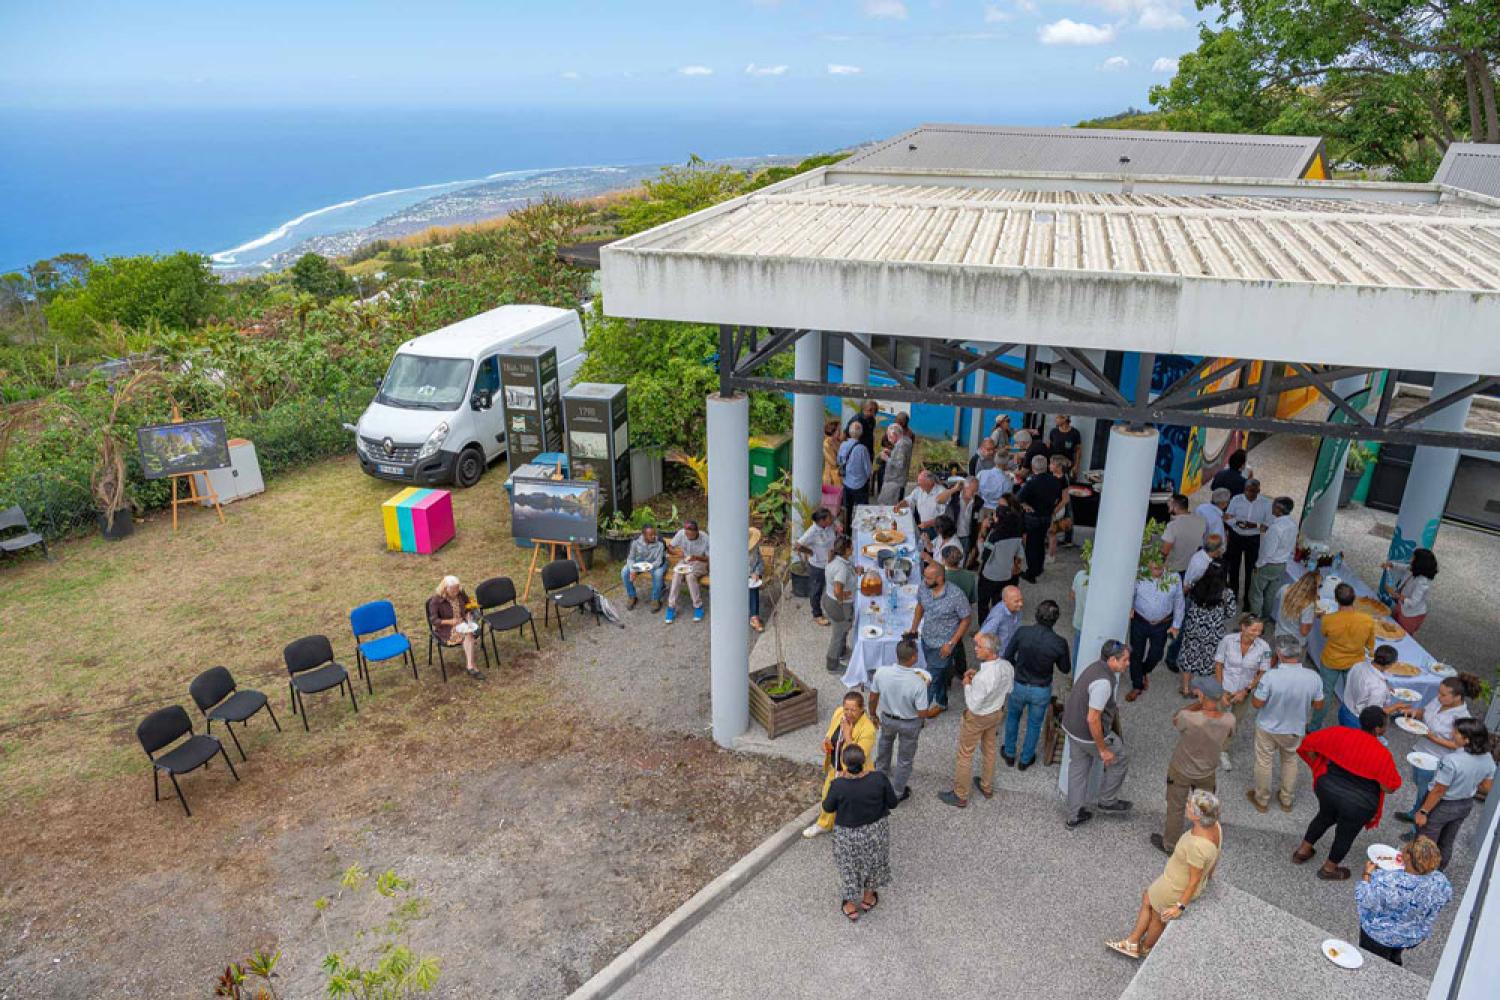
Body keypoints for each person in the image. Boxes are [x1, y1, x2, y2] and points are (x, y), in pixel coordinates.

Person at [1106, 790, 1222, 960]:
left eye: (1190, 805)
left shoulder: (1197, 846)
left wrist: (1179, 906)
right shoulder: (1216, 827)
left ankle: (1143, 947)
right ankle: (1134, 942)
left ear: (1198, 816)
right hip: (1174, 881)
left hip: (1174, 887)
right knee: (1148, 898)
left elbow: (1194, 880)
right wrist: (1209, 874)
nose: (1187, 805)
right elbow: (1215, 855)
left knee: (1157, 917)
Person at [1293, 706, 1402, 880]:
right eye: (1385, 726)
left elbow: (1308, 744)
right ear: (1377, 729)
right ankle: (1329, 870)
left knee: (1324, 816)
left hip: (1327, 789)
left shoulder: (1339, 732)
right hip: (1358, 803)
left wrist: (1318, 766)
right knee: (1346, 834)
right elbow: (1390, 787)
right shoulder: (1383, 754)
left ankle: (1302, 852)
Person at [1247, 636, 1325, 814]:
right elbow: (1319, 705)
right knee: (1290, 761)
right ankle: (1286, 800)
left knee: (1264, 762)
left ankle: (1262, 800)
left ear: (1279, 654)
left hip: (1268, 726)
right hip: (1295, 728)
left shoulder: (1271, 676)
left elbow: (1257, 704)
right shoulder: (1313, 677)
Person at [822, 744, 898, 922]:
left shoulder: (839, 785)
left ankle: (849, 905)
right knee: (875, 862)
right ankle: (868, 898)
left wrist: (837, 782)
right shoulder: (879, 778)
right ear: (864, 761)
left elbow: (827, 807)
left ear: (844, 763)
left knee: (849, 867)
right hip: (875, 830)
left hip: (848, 834)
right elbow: (893, 803)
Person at [1062, 639, 1134, 829]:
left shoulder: (1095, 667)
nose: (1128, 664)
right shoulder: (1103, 683)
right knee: (1120, 758)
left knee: (1078, 769)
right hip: (1087, 734)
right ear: (1112, 660)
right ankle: (1107, 801)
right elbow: (1093, 719)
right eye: (1125, 660)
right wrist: (1102, 749)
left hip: (1071, 727)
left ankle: (1073, 815)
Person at [1155, 682, 1233, 854]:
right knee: (1206, 808)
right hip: (1207, 772)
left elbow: (1176, 719)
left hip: (1181, 769)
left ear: (1202, 696)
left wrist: (1199, 703)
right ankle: (1204, 840)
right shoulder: (1229, 720)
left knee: (1176, 807)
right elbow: (1229, 733)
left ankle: (1170, 844)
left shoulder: (1189, 718)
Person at [1393, 672, 1481, 823]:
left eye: (1444, 695)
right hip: (1421, 751)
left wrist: (1432, 737)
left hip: (1436, 760)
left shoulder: (1463, 718)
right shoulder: (1440, 701)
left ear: (1457, 697)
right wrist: (1414, 713)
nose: (1439, 697)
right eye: (1439, 692)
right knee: (1420, 787)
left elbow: (1457, 745)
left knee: (1427, 793)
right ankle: (1414, 812)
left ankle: (1418, 825)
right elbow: (1425, 713)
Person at [939, 632, 1014, 808]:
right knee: (989, 749)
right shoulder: (1006, 666)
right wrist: (978, 678)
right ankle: (986, 786)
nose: (975, 649)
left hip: (978, 716)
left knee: (965, 754)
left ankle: (960, 794)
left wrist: (967, 684)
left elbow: (973, 703)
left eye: (979, 646)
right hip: (996, 712)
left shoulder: (983, 678)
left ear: (989, 650)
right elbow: (1008, 689)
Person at [1355, 836, 1453, 966]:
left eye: (1405, 850)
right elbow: (1445, 900)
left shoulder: (1386, 880)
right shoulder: (1441, 881)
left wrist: (1367, 874)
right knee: (1396, 951)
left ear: (1408, 857)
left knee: (1371, 962)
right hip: (1411, 934)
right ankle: (1394, 959)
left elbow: (1365, 899)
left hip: (1378, 935)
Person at [1414, 719, 1496, 868]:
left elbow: (1439, 790)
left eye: (1456, 732)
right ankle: (1439, 871)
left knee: (1427, 841)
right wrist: (1468, 781)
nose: (1452, 734)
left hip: (1442, 804)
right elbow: (1486, 787)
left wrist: (1423, 811)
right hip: (1465, 804)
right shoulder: (1488, 758)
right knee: (1447, 841)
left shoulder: (1452, 760)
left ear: (1466, 740)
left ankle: (1421, 871)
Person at [1002, 599, 1071, 770]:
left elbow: (1007, 655)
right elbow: (1065, 668)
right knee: (1034, 724)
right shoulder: (1059, 642)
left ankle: (1009, 753)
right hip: (1041, 688)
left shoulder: (1022, 632)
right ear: (1055, 620)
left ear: (1036, 615)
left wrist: (1018, 665)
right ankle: (1025, 759)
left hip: (1019, 683)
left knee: (1012, 717)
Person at [870, 639, 943, 801]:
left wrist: (873, 714)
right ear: (914, 657)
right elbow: (922, 713)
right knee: (905, 759)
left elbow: (873, 697)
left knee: (883, 750)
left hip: (887, 718)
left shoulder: (881, 672)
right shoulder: (919, 682)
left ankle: (879, 783)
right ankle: (897, 793)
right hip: (910, 723)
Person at [804, 691, 879, 839]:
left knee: (853, 802)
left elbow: (858, 756)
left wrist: (848, 736)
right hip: (836, 767)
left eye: (853, 710)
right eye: (846, 709)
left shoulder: (868, 729)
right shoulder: (839, 713)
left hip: (855, 773)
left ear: (862, 709)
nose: (848, 713)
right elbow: (830, 733)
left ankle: (856, 829)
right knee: (827, 795)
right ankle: (824, 824)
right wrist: (826, 742)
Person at [908, 563, 972, 711]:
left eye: (929, 578)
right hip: (926, 639)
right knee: (938, 674)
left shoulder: (956, 595)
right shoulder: (924, 587)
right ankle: (942, 703)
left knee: (931, 678)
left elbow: (966, 619)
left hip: (943, 645)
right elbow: (920, 606)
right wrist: (913, 629)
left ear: (940, 578)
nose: (925, 580)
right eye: (924, 577)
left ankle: (920, 712)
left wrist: (951, 643)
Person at [1212, 613, 1272, 770]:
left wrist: (1246, 691)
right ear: (1243, 627)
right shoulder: (1227, 641)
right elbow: (1218, 664)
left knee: (1234, 722)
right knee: (1215, 718)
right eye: (1253, 630)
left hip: (1244, 690)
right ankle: (1209, 746)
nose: (1256, 634)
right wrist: (1222, 690)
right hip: (1225, 686)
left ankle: (1223, 750)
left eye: (1259, 631)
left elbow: (1263, 671)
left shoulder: (1264, 647)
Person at [1312, 583, 1375, 730]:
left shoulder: (1328, 619)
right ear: (1354, 599)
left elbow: (1324, 634)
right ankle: (1348, 728)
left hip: (1331, 660)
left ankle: (1314, 726)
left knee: (1325, 694)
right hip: (1354, 662)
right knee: (1352, 697)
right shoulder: (1367, 620)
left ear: (1336, 599)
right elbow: (1370, 645)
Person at [1125, 560, 1184, 703]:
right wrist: (1130, 607)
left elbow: (1179, 601)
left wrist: (1176, 625)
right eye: (1152, 568)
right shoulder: (1140, 575)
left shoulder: (1174, 578)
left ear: (1165, 565)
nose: (1155, 572)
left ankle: (1143, 671)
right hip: (1139, 621)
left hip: (1162, 624)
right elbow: (1130, 594)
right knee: (1136, 654)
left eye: (1158, 569)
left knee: (1156, 655)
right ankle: (1137, 685)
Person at [1176, 565, 1237, 697]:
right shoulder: (1227, 593)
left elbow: (1188, 602)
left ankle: (1185, 688)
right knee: (1212, 657)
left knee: (1189, 656)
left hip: (1194, 627)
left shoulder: (1196, 585)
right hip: (1213, 631)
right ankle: (1208, 689)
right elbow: (1231, 613)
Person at [1016, 453, 1064, 581]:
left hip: (1033, 517)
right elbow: (1059, 497)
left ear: (1033, 467)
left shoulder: (1032, 482)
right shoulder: (1055, 480)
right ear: (1046, 466)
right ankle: (1039, 567)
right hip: (1047, 516)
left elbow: (1018, 498)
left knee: (1031, 545)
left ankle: (1032, 573)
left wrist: (1026, 505)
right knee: (1041, 543)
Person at [1247, 496, 1297, 618]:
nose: (1271, 508)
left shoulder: (1275, 528)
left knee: (1256, 593)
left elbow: (1267, 553)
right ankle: (1265, 618)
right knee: (1270, 594)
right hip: (1282, 564)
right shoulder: (1293, 524)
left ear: (1278, 509)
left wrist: (1257, 565)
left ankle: (1254, 621)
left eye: (1273, 505)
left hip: (1268, 565)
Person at [426, 575, 484, 680]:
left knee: (468, 633)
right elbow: (434, 621)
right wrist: (450, 622)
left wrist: (468, 614)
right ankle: (471, 666)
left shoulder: (460, 593)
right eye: (453, 591)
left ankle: (470, 665)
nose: (456, 593)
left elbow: (468, 604)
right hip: (447, 629)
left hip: (463, 623)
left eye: (457, 589)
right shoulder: (436, 601)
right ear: (445, 589)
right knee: (468, 635)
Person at [975, 504, 1023, 620]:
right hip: (1006, 574)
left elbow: (985, 555)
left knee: (983, 603)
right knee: (998, 603)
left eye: (995, 515)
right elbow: (1019, 553)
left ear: (998, 518)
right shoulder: (1016, 533)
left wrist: (981, 541)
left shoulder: (994, 535)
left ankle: (985, 628)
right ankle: (997, 625)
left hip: (990, 574)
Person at [1224, 477, 1270, 599]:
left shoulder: (1266, 503)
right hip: (1236, 536)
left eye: (1254, 491)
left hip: (1253, 539)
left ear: (1259, 491)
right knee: (1233, 567)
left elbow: (1268, 526)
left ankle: (1247, 600)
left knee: (1250, 570)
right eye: (1248, 491)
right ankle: (1233, 596)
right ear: (1244, 489)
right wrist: (1236, 522)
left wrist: (1255, 525)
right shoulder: (1236, 499)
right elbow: (1227, 517)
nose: (1250, 494)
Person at [1339, 645, 1406, 728]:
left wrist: (1385, 687)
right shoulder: (1378, 687)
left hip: (1344, 709)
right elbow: (1374, 714)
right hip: (1358, 721)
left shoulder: (1359, 665)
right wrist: (1395, 707)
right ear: (1388, 665)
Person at [794, 507, 837, 625]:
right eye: (828, 517)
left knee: (831, 587)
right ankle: (817, 614)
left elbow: (833, 533)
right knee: (816, 590)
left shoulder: (829, 526)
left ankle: (833, 609)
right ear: (821, 521)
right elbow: (797, 546)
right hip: (818, 566)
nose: (831, 518)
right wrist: (810, 552)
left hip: (830, 562)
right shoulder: (812, 532)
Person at [1381, 548, 1438, 635]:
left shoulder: (1422, 582)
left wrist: (1394, 594)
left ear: (1419, 563)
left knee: (1402, 635)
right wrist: (1391, 564)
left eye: (1413, 558)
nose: (1411, 559)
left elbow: (1412, 603)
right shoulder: (1413, 569)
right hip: (1402, 606)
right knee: (1393, 628)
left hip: (1411, 615)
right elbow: (1404, 567)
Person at [664, 520, 709, 624]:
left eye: (690, 535)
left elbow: (708, 558)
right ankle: (671, 607)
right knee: (676, 574)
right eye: (686, 534)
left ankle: (698, 607)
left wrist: (696, 557)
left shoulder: (705, 538)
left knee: (690, 576)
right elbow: (670, 547)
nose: (687, 537)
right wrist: (677, 553)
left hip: (700, 562)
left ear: (696, 532)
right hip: (685, 561)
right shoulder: (681, 533)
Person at [823, 535, 856, 673]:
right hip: (839, 606)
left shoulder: (836, 560)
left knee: (842, 630)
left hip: (829, 601)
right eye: (851, 546)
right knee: (837, 634)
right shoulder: (841, 568)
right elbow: (838, 590)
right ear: (847, 550)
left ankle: (842, 652)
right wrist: (844, 597)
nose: (853, 548)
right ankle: (832, 665)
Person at [895, 470, 959, 542]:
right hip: (923, 527)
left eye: (920, 482)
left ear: (930, 482)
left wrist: (928, 523)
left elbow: (945, 517)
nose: (918, 484)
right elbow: (909, 500)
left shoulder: (941, 492)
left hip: (937, 529)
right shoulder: (919, 490)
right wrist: (899, 505)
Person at [621, 524, 667, 612]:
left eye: (654, 534)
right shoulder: (635, 541)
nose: (654, 536)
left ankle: (655, 599)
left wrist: (647, 567)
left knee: (658, 574)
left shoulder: (660, 542)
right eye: (651, 535)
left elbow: (659, 561)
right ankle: (632, 596)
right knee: (625, 571)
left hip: (658, 562)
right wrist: (632, 570)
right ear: (644, 535)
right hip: (643, 560)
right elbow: (630, 558)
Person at [837, 420, 873, 532]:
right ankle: (861, 532)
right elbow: (868, 469)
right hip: (860, 485)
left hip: (847, 483)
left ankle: (847, 533)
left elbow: (839, 461)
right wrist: (867, 478)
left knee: (847, 509)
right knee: (862, 510)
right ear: (861, 433)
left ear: (849, 432)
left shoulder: (843, 445)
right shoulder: (862, 449)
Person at [1160, 494, 1207, 576]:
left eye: (1169, 506)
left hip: (1174, 569)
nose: (1168, 509)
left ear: (1176, 507)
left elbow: (1165, 551)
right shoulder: (1201, 521)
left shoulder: (1173, 525)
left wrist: (1158, 565)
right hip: (1191, 566)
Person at [1273, 568, 1320, 641]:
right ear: (1315, 588)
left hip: (1279, 632)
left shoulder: (1285, 588)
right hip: (1294, 641)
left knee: (1278, 651)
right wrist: (1314, 616)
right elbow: (1304, 632)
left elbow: (1277, 597)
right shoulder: (1309, 605)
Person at [946, 476, 983, 563]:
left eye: (976, 490)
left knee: (963, 560)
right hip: (952, 535)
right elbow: (938, 499)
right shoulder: (953, 496)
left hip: (967, 538)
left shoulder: (978, 502)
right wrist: (954, 489)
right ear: (965, 487)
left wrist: (977, 539)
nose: (974, 493)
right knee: (949, 559)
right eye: (972, 490)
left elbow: (978, 522)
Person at [978, 584, 1024, 655]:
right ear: (1005, 601)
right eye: (1016, 601)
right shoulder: (998, 616)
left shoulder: (1017, 609)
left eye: (1021, 599)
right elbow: (979, 637)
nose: (1021, 604)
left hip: (1011, 651)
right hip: (1001, 656)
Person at [875, 423, 914, 505]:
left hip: (895, 481)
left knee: (891, 505)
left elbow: (900, 464)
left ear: (895, 435)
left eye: (889, 436)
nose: (889, 439)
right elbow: (901, 457)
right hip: (898, 480)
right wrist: (891, 453)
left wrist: (886, 458)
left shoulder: (901, 445)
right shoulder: (905, 441)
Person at [747, 539, 766, 633]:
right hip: (739, 576)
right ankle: (754, 617)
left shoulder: (755, 548)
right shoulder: (735, 549)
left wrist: (757, 573)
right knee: (752, 587)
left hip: (755, 576)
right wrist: (750, 574)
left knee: (753, 585)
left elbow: (761, 563)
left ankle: (754, 616)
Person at [822, 419, 843, 488]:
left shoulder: (838, 441)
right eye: (838, 430)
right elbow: (833, 462)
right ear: (832, 430)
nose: (840, 432)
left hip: (838, 475)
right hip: (831, 477)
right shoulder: (826, 444)